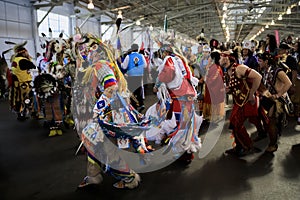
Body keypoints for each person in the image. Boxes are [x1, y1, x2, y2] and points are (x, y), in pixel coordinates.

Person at [153, 44, 200, 164]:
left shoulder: (170, 60)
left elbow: (168, 72)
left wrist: (158, 84)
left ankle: (181, 154)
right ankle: (187, 154)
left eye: (162, 53)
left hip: (179, 98)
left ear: (164, 52)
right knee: (186, 124)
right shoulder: (180, 59)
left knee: (178, 125)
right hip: (187, 96)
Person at [220, 50, 262, 156]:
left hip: (247, 100)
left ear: (227, 58)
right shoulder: (227, 71)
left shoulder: (239, 68)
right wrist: (229, 90)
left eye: (221, 56)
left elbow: (258, 77)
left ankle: (247, 146)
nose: (219, 59)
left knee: (236, 123)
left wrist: (252, 93)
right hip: (239, 101)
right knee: (234, 123)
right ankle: (242, 146)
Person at [257, 52, 292, 152]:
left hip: (277, 100)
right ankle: (271, 138)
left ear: (266, 61)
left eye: (260, 61)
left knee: (271, 122)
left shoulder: (278, 71)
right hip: (268, 98)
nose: (259, 63)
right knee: (269, 121)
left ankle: (273, 144)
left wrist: (278, 95)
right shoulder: (264, 70)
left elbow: (288, 83)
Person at [10, 41, 36, 120]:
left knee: (19, 99)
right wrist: (29, 58)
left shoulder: (15, 59)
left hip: (18, 83)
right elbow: (33, 66)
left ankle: (21, 114)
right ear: (23, 52)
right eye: (26, 52)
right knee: (26, 99)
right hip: (23, 84)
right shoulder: (22, 60)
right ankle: (23, 113)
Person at [121, 43, 147, 112]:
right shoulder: (141, 55)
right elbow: (145, 65)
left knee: (132, 90)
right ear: (138, 49)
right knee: (139, 89)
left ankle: (134, 106)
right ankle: (141, 104)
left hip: (131, 76)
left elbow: (124, 66)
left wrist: (120, 63)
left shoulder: (128, 56)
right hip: (140, 75)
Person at [202, 51, 225, 122]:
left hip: (214, 88)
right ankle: (209, 115)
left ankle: (213, 116)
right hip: (210, 88)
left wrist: (205, 79)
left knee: (213, 101)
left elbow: (213, 78)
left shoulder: (216, 67)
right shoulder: (214, 66)